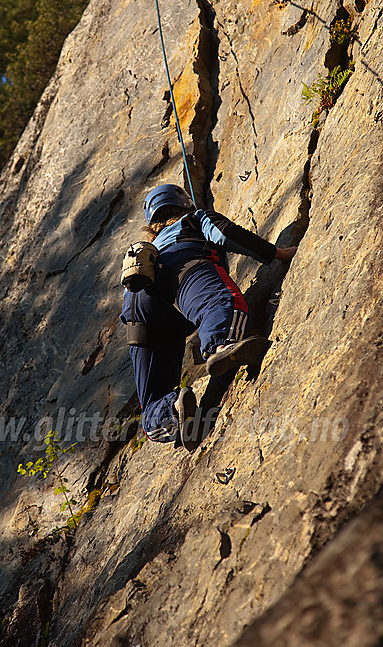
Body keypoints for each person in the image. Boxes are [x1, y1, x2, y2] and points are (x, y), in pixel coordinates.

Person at [120, 183, 297, 450]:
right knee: (222, 303)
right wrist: (278, 254)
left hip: (137, 309)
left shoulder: (151, 247)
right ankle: (222, 347)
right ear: (185, 205)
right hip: (182, 269)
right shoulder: (193, 219)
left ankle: (171, 410)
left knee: (153, 398)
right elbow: (226, 235)